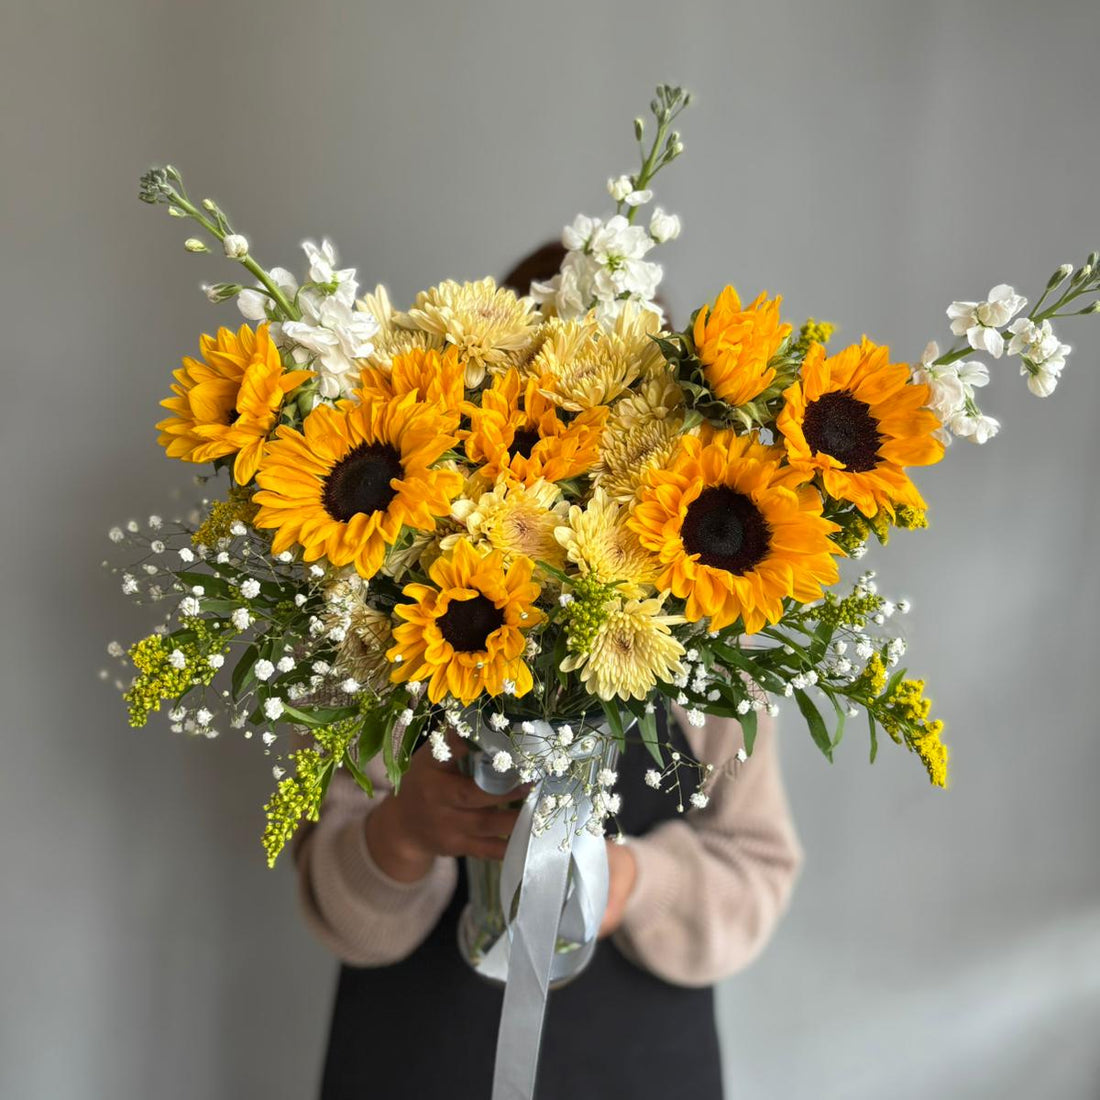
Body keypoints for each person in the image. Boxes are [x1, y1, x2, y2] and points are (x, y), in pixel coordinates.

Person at [293, 246, 804, 1099]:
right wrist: (408, 830)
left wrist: (633, 882)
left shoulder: (713, 635)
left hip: (639, 1068)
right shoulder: (390, 620)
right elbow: (336, 905)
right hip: (414, 1065)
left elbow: (758, 869)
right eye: (533, 404)